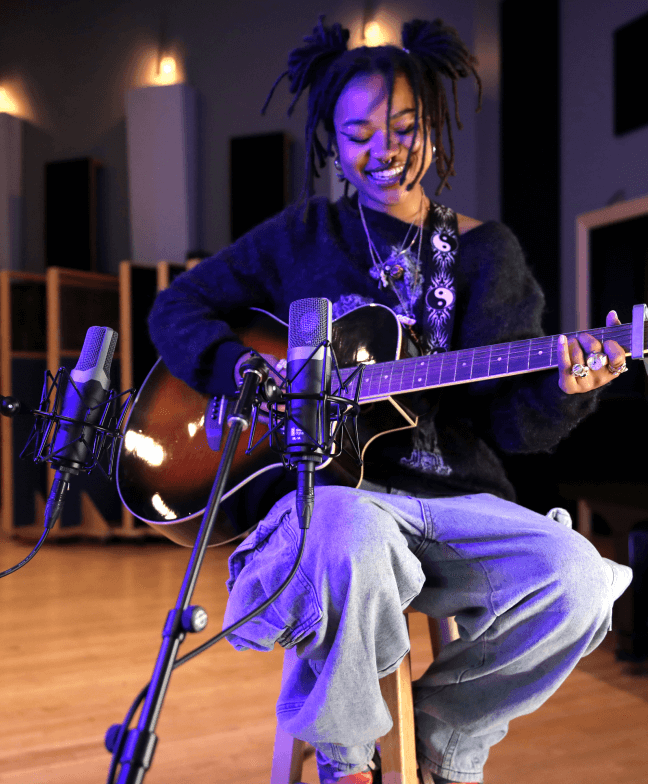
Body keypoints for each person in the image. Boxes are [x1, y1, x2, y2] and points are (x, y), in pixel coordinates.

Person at [147, 18, 633, 784]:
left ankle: (443, 733)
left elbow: (514, 426)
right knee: (349, 531)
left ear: (434, 130)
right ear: (334, 144)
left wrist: (565, 387)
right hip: (340, 502)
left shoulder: (484, 252)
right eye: (361, 132)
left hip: (456, 504)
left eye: (405, 127)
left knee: (581, 578)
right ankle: (346, 758)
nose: (386, 149)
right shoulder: (301, 235)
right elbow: (178, 308)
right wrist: (240, 369)